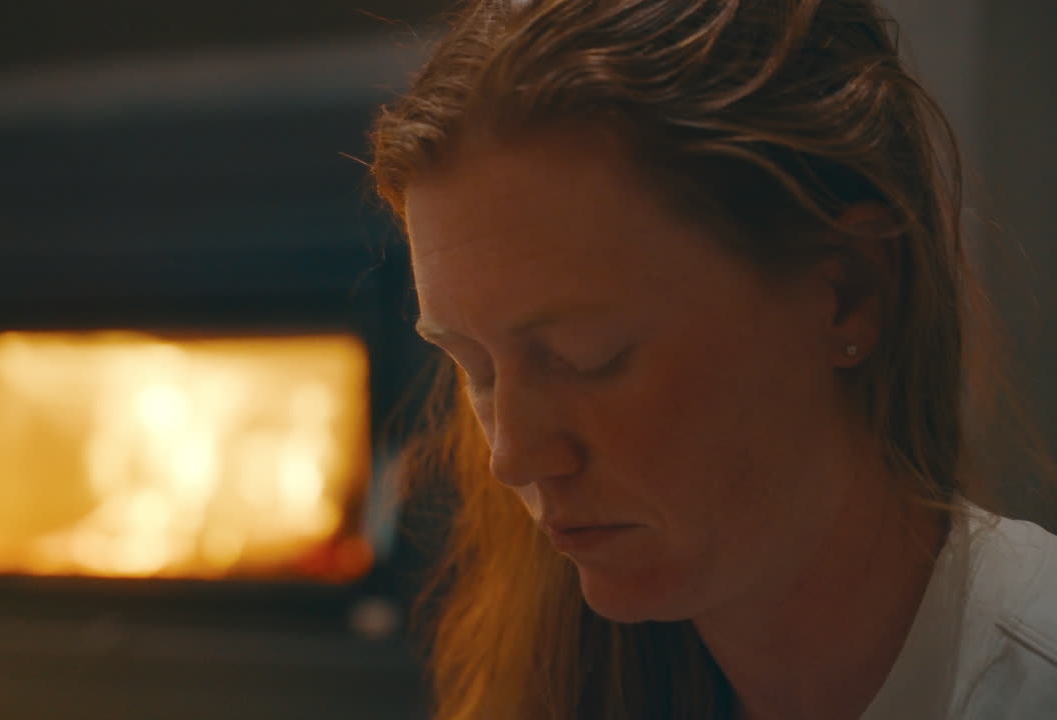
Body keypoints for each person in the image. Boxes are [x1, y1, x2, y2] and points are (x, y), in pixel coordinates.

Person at [367, 0, 1057, 718]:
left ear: (847, 291)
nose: (511, 458)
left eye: (588, 355)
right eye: (474, 367)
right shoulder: (568, 680)